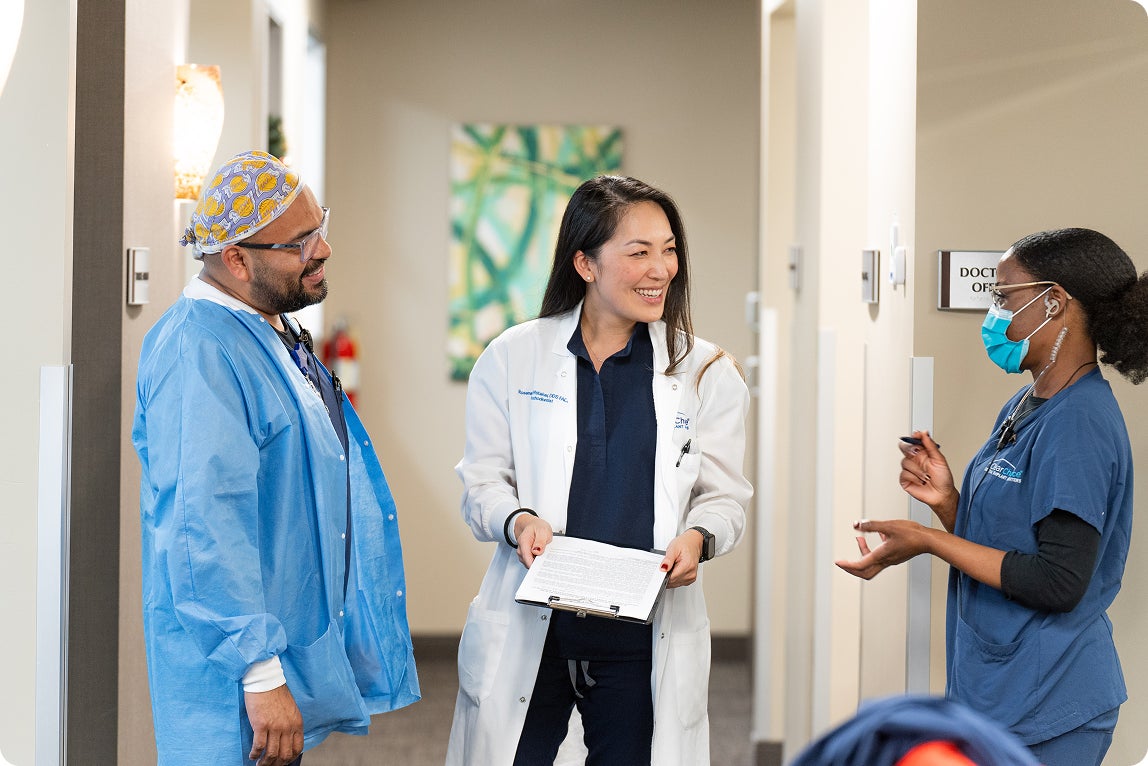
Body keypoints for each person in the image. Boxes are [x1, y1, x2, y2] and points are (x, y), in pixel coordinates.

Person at [445, 175, 753, 766]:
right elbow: (482, 482)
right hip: (535, 626)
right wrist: (518, 521)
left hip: (641, 635)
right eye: (639, 252)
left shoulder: (707, 371)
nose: (661, 269)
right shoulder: (512, 357)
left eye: (669, 250)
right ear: (585, 264)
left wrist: (699, 537)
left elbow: (724, 497)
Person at [132, 150, 420, 765]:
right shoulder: (198, 353)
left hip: (274, 651)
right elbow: (205, 524)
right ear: (236, 259)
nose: (324, 249)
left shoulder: (266, 330)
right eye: (300, 243)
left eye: (321, 226)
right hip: (232, 678)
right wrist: (259, 673)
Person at [837, 228, 1148, 766]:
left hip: (1051, 702)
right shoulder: (1026, 403)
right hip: (1002, 688)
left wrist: (929, 540)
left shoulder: (1080, 423)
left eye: (1004, 296)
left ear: (1054, 302)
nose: (995, 312)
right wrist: (947, 502)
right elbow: (1013, 543)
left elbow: (1058, 581)